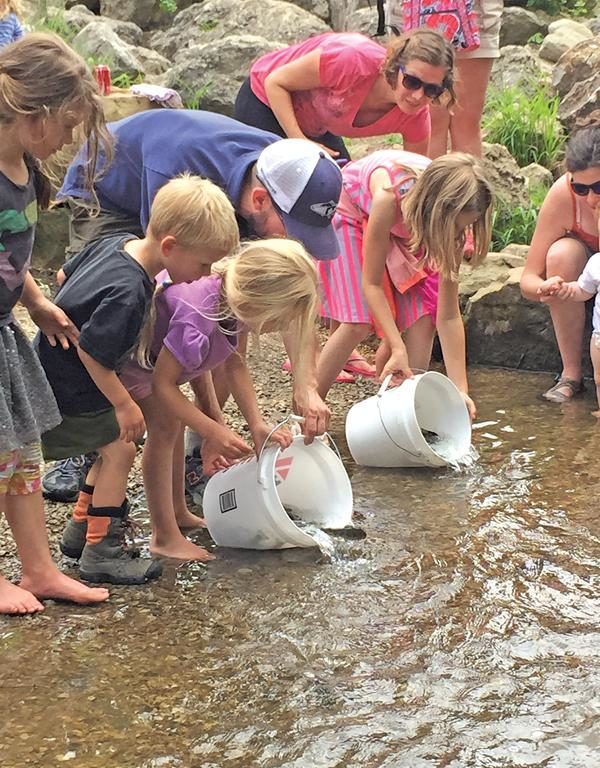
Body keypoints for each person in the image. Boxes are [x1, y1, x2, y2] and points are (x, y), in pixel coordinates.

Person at [41, 109, 342, 503]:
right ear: (258, 201)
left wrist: (305, 384)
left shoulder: (290, 171)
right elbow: (168, 280)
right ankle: (89, 439)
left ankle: (198, 455)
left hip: (181, 210)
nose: (294, 242)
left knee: (222, 322)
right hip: (111, 186)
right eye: (292, 231)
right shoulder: (180, 187)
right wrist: (189, 411)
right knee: (119, 315)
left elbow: (243, 325)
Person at [37, 175, 240, 585]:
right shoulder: (131, 289)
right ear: (170, 247)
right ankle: (102, 552)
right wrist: (124, 404)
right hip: (73, 382)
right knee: (119, 451)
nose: (205, 275)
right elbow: (91, 352)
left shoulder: (117, 243)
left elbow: (63, 275)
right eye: (202, 264)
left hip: (57, 367)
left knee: (107, 451)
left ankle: (81, 531)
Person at [100, 239, 318, 562]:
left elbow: (233, 363)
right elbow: (164, 385)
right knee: (164, 429)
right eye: (281, 318)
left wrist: (256, 424)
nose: (280, 327)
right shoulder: (197, 314)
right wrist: (212, 432)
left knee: (172, 425)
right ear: (260, 298)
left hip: (154, 366)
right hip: (132, 366)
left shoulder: (231, 301)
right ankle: (163, 535)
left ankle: (177, 511)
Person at [0, 33, 113, 614]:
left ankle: (39, 568)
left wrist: (36, 301)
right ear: (34, 112)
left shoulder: (23, 166)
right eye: (68, 123)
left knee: (20, 453)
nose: (70, 137)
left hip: (3, 334)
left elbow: (11, 257)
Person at [317, 150, 493, 418]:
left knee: (422, 319)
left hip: (411, 225)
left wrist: (460, 390)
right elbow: (372, 283)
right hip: (352, 208)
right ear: (438, 212)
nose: (458, 236)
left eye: (463, 229)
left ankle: (401, 415)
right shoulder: (388, 197)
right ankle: (307, 408)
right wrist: (395, 345)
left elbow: (447, 316)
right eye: (456, 228)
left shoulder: (451, 228)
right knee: (357, 321)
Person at [235, 28, 455, 161]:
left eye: (431, 89)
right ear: (396, 66)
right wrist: (299, 142)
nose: (418, 96)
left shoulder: (415, 117)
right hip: (265, 99)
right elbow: (275, 82)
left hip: (317, 124)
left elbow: (411, 174)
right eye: (412, 81)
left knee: (341, 187)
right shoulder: (352, 59)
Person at [520, 125, 600, 403]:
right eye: (581, 188)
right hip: (583, 269)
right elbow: (528, 279)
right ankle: (571, 375)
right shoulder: (562, 196)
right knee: (560, 255)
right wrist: (545, 287)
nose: (590, 198)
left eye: (599, 187)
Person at [538, 256, 600, 416]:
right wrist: (566, 289)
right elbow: (583, 290)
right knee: (599, 379)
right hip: (599, 337)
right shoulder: (596, 263)